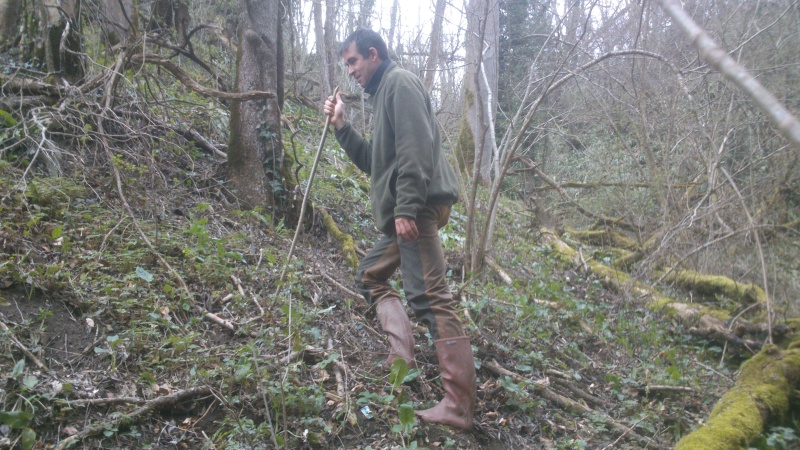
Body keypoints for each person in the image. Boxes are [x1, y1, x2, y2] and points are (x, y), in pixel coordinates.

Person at [323, 29, 476, 430]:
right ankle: (400, 363)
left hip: (418, 206)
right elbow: (377, 162)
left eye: (353, 61)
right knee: (370, 275)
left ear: (373, 54)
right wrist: (341, 126)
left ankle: (458, 407)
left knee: (429, 297)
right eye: (347, 65)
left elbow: (416, 148)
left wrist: (406, 207)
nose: (351, 71)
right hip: (407, 210)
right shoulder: (383, 93)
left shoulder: (400, 83)